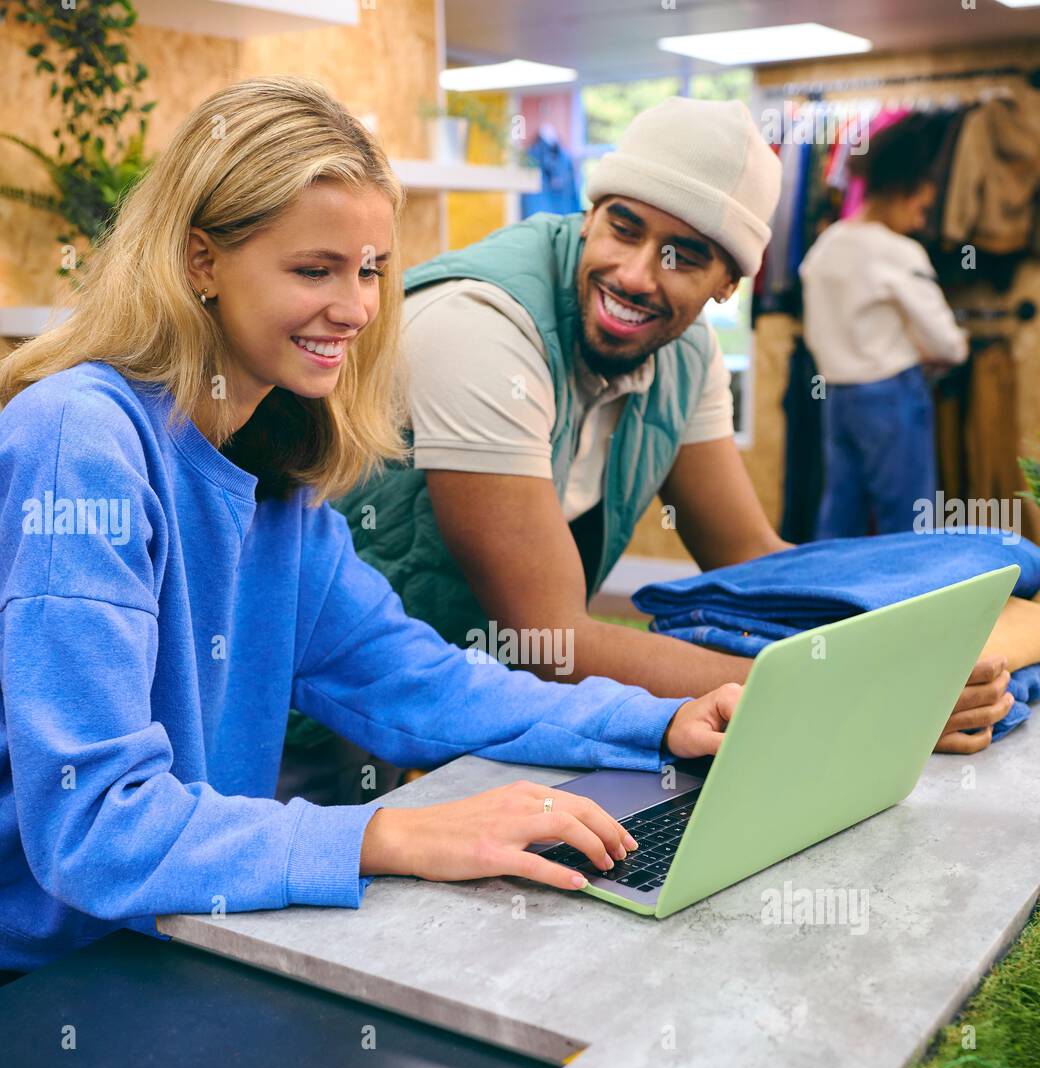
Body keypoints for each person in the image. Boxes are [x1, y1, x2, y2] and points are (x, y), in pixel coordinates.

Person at [0, 77, 743, 977]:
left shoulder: (275, 467)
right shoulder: (80, 441)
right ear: (201, 262)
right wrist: (394, 835)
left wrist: (661, 724)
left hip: (187, 937)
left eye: (370, 271)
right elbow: (93, 827)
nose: (355, 308)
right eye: (314, 271)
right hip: (53, 982)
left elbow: (418, 683)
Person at [280, 99, 1011, 803]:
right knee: (296, 870)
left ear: (728, 283)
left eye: (682, 257)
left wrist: (902, 653)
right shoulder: (480, 324)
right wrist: (858, 696)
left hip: (455, 694)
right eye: (623, 227)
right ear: (591, 213)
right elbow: (551, 639)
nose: (635, 273)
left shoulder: (684, 352)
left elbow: (748, 558)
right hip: (308, 702)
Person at [799, 113, 970, 539]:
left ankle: (832, 585)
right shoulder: (899, 252)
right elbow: (947, 345)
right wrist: (953, 344)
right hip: (892, 396)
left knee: (840, 515)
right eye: (921, 209)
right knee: (908, 522)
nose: (921, 222)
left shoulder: (825, 246)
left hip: (837, 397)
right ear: (901, 191)